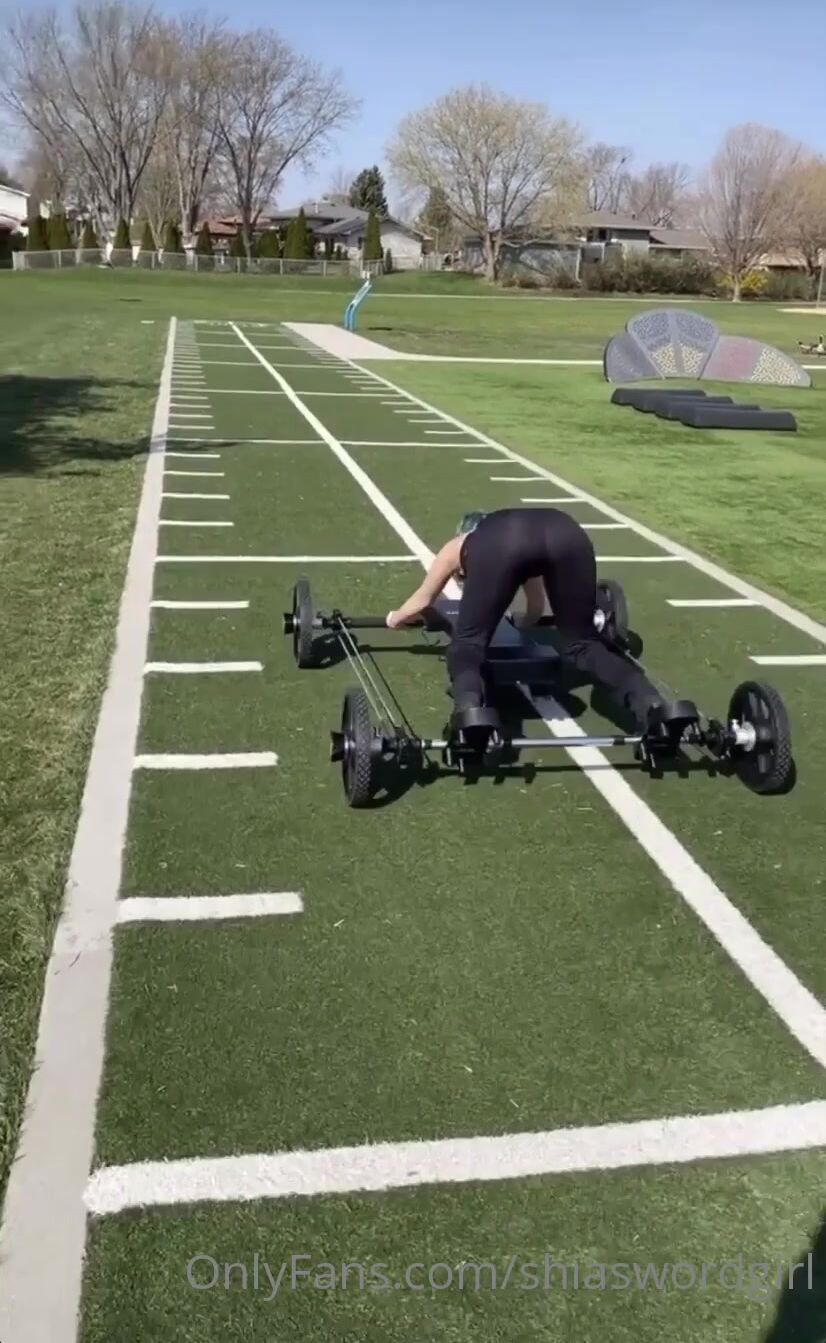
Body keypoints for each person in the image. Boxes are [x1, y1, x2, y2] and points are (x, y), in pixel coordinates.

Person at [387, 507, 666, 728]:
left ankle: (470, 712)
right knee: (584, 645)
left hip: (506, 544)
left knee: (467, 644)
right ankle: (652, 704)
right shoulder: (508, 532)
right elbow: (534, 610)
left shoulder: (462, 544)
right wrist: (519, 623)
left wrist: (395, 619)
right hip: (567, 531)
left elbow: (421, 601)